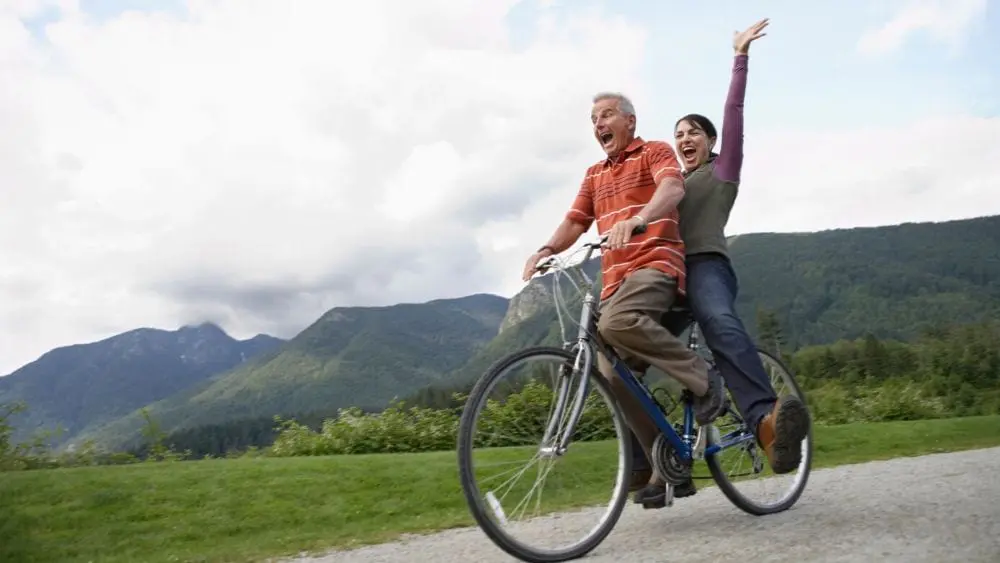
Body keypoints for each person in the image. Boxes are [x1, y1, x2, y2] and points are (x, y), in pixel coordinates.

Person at [629, 18, 812, 494]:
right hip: (666, 274)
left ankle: (766, 421)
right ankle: (656, 462)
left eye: (693, 132)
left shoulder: (721, 171)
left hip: (706, 266)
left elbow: (733, 111)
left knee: (720, 323)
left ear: (709, 142)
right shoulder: (670, 185)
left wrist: (740, 57)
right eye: (678, 134)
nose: (684, 139)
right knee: (626, 353)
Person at [521, 91, 726, 509]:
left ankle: (704, 378)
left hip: (654, 265)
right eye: (593, 117)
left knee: (614, 325)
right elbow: (576, 220)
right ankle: (666, 463)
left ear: (629, 121)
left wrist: (638, 219)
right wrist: (546, 250)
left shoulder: (654, 152)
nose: (599, 123)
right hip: (616, 282)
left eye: (607, 114)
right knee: (612, 376)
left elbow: (672, 189)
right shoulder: (594, 173)